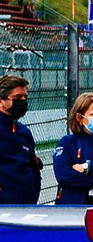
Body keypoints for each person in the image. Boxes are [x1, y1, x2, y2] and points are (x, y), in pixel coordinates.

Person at [0, 74, 43, 204]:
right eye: (18, 97)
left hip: (26, 205)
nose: (23, 101)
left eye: (25, 97)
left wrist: (33, 194)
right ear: (1, 101)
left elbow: (34, 167)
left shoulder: (23, 131)